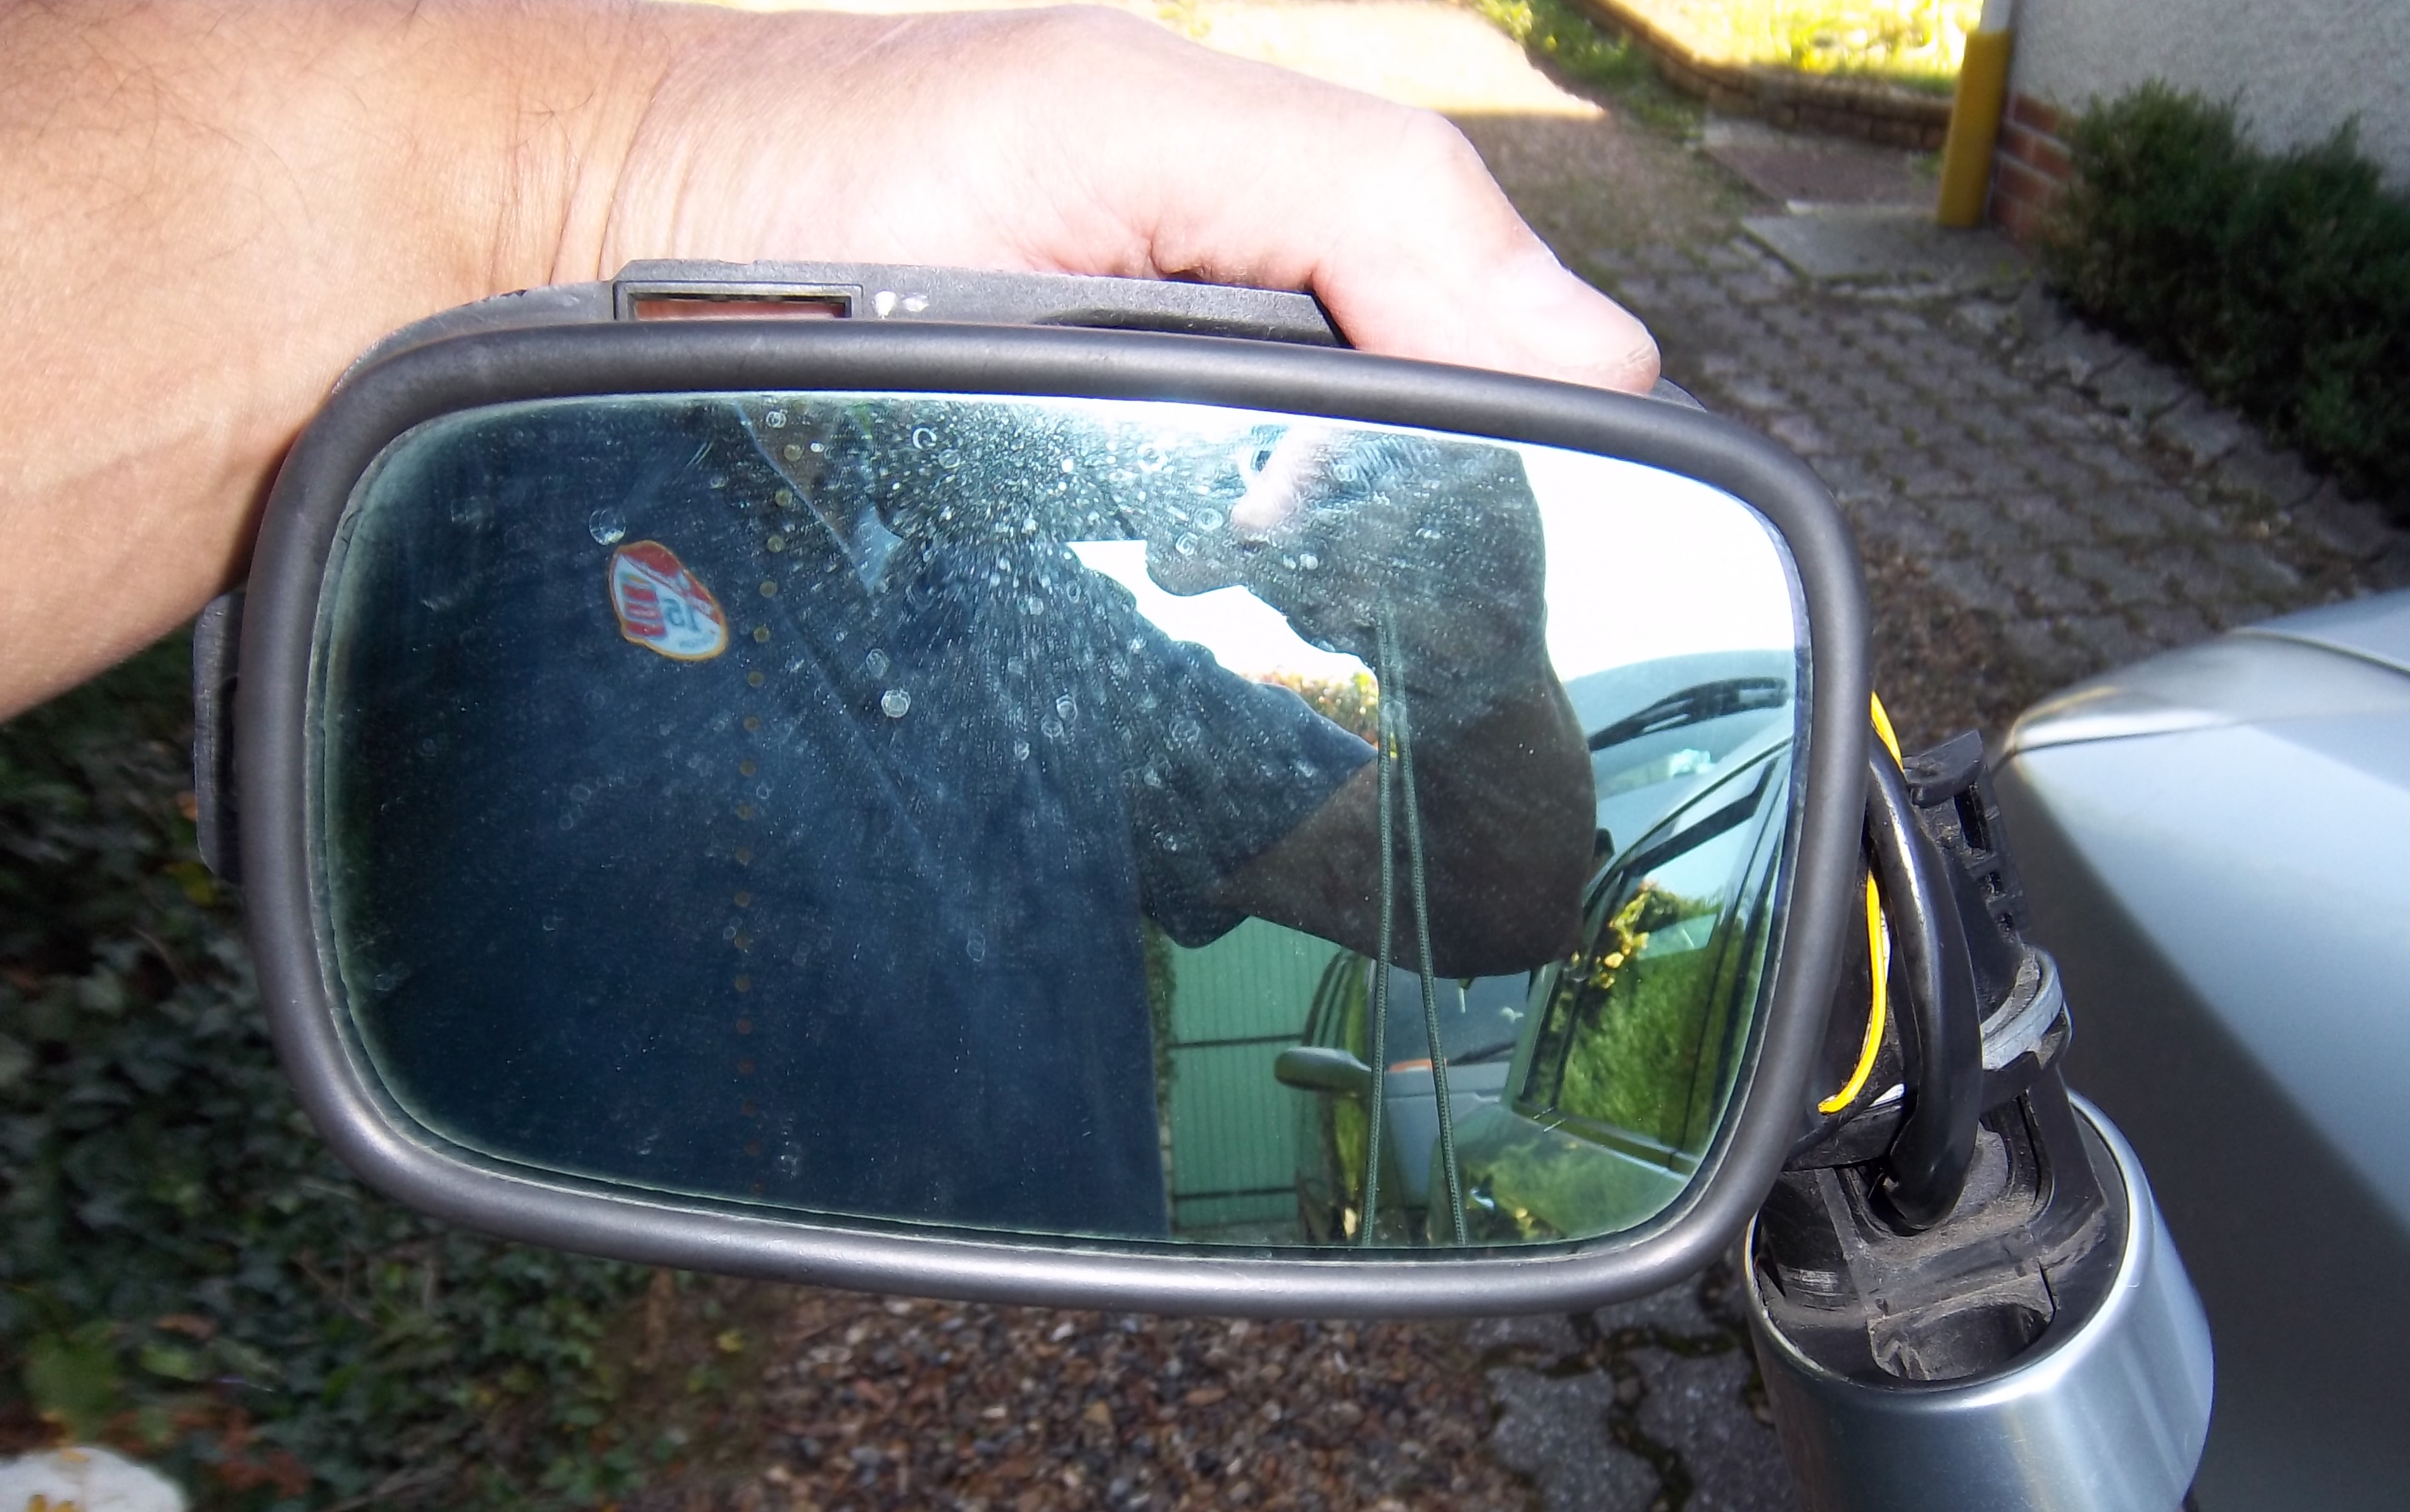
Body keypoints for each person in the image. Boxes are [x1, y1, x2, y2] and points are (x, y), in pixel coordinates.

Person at [0, 0, 1658, 721]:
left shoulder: (1084, 671)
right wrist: (596, 169)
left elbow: (1493, 903)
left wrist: (1478, 657)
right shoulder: (515, 514)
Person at [323, 394, 1594, 1235]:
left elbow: (1484, 898)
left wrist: (1472, 649)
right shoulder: (478, 455)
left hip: (1064, 1448)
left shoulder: (1035, 613)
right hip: (642, 1485)